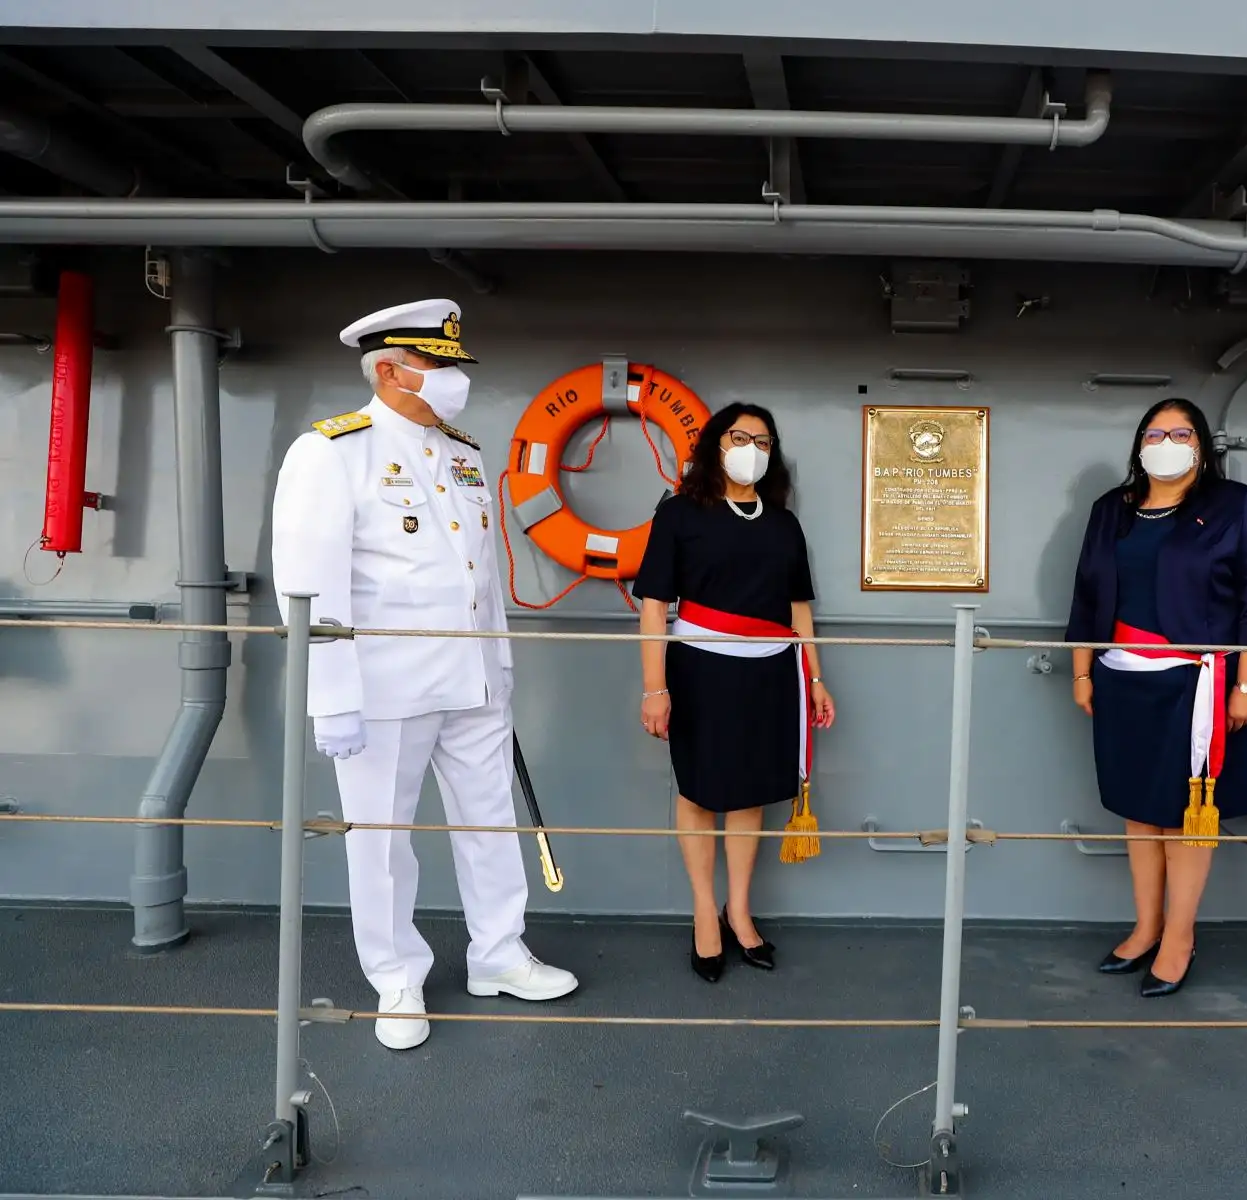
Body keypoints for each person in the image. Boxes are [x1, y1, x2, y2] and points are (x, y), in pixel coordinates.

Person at [270, 299, 578, 1051]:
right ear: (388, 369)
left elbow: (481, 576)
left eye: (451, 365)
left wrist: (500, 664)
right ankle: (396, 978)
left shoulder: (464, 454)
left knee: (490, 823)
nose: (451, 379)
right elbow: (308, 587)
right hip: (385, 689)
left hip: (473, 680)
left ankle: (499, 953)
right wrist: (330, 699)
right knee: (381, 842)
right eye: (435, 364)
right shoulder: (332, 452)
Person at [1065, 398, 1247, 998]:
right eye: (1155, 433)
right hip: (1121, 678)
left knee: (1187, 814)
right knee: (1138, 809)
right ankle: (1146, 927)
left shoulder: (1232, 504)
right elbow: (1086, 594)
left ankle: (1179, 938)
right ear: (1139, 445)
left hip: (1197, 684)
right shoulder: (1111, 509)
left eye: (1181, 433)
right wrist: (1082, 673)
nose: (1167, 442)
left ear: (1202, 446)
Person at [632, 403, 837, 983]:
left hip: (770, 672)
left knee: (750, 793)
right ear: (715, 444)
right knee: (699, 792)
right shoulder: (679, 513)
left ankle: (738, 911)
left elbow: (798, 608)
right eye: (741, 437)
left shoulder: (783, 524)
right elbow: (654, 605)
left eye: (763, 441)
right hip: (701, 669)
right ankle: (704, 912)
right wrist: (654, 687)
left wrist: (815, 677)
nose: (753, 449)